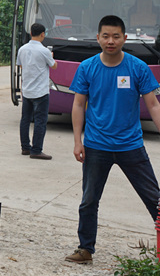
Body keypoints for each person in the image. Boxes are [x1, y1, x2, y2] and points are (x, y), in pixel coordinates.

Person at [64, 15, 160, 265]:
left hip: (131, 146)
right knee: (89, 201)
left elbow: (153, 105)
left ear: (125, 38)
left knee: (155, 198)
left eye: (116, 36)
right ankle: (85, 249)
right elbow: (77, 104)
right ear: (97, 38)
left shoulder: (138, 67)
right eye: (105, 36)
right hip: (96, 146)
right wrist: (77, 141)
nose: (110, 41)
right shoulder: (87, 67)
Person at [16, 23, 57, 160]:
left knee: (25, 120)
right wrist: (51, 56)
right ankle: (37, 150)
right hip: (41, 92)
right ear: (42, 34)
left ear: (31, 33)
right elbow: (54, 66)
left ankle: (25, 147)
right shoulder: (44, 51)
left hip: (27, 90)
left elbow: (21, 65)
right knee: (40, 121)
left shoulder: (22, 49)